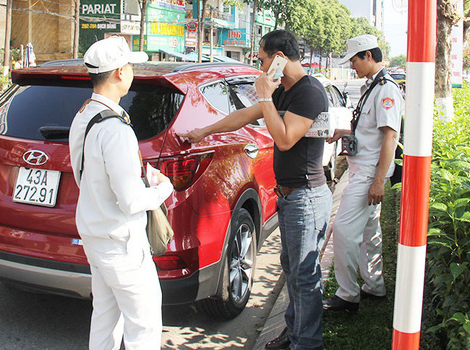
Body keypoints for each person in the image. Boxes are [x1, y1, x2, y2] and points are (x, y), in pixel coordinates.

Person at [183, 30, 332, 350]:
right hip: (291, 197)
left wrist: (265, 95)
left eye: (262, 58)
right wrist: (204, 131)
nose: (260, 65)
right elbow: (244, 116)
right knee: (294, 272)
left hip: (307, 197)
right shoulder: (283, 90)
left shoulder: (309, 92)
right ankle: (294, 333)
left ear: (279, 58)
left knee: (304, 277)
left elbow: (285, 138)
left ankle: (307, 344)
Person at [68, 36, 174, 350]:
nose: (131, 71)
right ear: (118, 73)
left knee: (105, 319)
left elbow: (85, 175)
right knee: (144, 328)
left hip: (96, 238)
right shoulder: (115, 129)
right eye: (129, 65)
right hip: (122, 244)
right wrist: (161, 189)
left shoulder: (84, 115)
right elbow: (130, 201)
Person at [323, 35, 403, 313]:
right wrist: (345, 133)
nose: (352, 66)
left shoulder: (386, 90)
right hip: (363, 169)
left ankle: (347, 295)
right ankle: (374, 286)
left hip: (369, 173)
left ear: (368, 56)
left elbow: (390, 137)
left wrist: (379, 181)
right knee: (370, 232)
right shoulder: (373, 87)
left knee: (343, 231)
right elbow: (369, 129)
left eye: (354, 60)